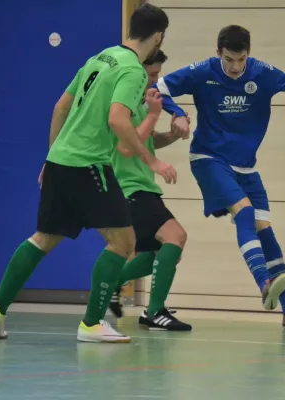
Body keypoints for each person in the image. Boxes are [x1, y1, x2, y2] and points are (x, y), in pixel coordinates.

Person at [0, 3, 177, 343]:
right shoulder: (133, 70)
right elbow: (118, 120)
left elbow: (61, 106)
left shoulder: (100, 57)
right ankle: (92, 323)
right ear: (158, 36)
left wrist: (51, 156)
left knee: (43, 238)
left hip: (60, 160)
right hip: (89, 164)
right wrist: (153, 161)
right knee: (124, 241)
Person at [153, 25, 285, 331]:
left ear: (248, 55)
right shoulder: (202, 71)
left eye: (241, 60)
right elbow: (157, 88)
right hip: (209, 159)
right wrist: (176, 113)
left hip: (246, 168)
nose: (235, 67)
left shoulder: (261, 72)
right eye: (229, 59)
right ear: (218, 53)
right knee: (245, 212)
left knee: (266, 233)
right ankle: (263, 283)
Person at [107, 50, 192, 331]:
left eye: (158, 75)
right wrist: (155, 114)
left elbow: (147, 141)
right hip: (129, 187)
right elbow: (126, 147)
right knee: (175, 237)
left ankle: (115, 283)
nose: (155, 80)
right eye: (152, 74)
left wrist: (172, 135)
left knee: (161, 252)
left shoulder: (142, 103)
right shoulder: (125, 103)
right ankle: (154, 312)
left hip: (143, 186)